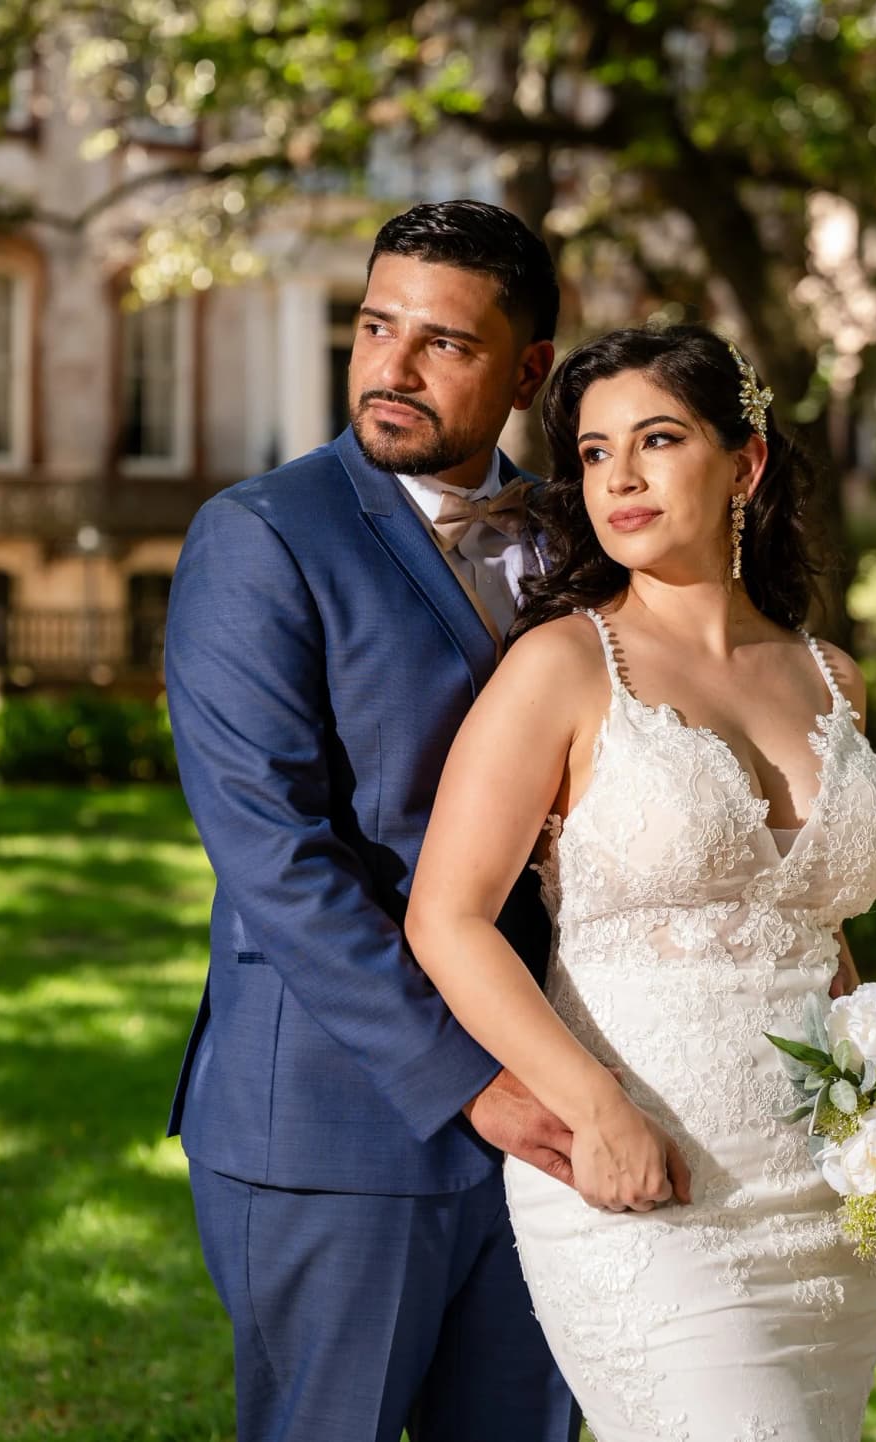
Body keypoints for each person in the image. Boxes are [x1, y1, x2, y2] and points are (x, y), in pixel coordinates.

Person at [406, 324, 876, 1440]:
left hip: (823, 1197)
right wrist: (593, 1109)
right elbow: (447, 917)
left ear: (748, 461)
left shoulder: (835, 678)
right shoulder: (565, 666)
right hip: (641, 1173)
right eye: (590, 452)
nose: (618, 477)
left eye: (658, 439)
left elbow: (818, 937)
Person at [162, 200, 582, 1442]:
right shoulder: (260, 539)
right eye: (373, 325)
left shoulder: (577, 538)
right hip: (338, 1120)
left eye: (443, 343)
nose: (389, 370)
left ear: (529, 369)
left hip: (565, 1112)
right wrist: (474, 1083)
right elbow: (275, 857)